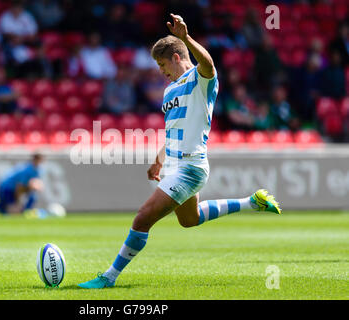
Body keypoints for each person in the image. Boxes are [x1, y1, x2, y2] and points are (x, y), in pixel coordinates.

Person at [78, 14, 282, 289]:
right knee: (190, 219)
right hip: (174, 164)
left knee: (142, 218)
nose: (161, 71)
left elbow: (208, 64)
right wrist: (158, 161)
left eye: (162, 64)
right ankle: (251, 202)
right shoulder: (169, 90)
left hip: (190, 166)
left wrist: (186, 38)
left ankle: (109, 278)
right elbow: (173, 131)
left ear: (176, 57)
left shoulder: (200, 81)